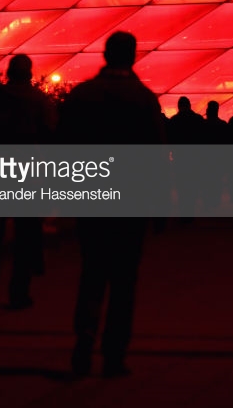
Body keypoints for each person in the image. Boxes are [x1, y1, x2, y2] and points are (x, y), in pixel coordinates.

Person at [58, 31, 165, 378]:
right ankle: (114, 354)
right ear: (133, 57)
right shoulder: (144, 99)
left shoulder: (82, 95)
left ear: (105, 54)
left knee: (92, 273)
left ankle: (83, 344)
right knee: (124, 280)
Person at [0, 54, 56, 311]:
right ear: (29, 73)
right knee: (26, 234)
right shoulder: (39, 100)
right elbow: (51, 134)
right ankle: (19, 292)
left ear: (8, 73)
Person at [166, 96, 205, 220]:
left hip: (180, 158)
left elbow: (169, 139)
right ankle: (190, 210)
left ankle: (184, 211)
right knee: (193, 184)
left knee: (182, 185)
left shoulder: (174, 121)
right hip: (194, 158)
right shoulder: (198, 119)